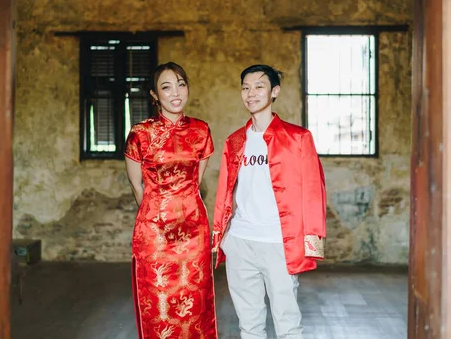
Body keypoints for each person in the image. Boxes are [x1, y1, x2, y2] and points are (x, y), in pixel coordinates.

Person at [212, 64, 327, 339]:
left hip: (279, 243)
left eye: (259, 86)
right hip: (241, 243)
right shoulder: (235, 141)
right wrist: (223, 236)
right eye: (245, 87)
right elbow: (224, 192)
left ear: (274, 91)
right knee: (249, 326)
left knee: (288, 325)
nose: (251, 93)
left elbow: (314, 191)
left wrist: (311, 244)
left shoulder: (298, 138)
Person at [125, 62, 217, 339]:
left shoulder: (201, 130)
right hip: (154, 232)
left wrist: (180, 207)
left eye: (181, 84)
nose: (176, 92)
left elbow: (195, 182)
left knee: (196, 303)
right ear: (154, 95)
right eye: (166, 87)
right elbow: (135, 183)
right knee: (158, 303)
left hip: (193, 230)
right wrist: (155, 214)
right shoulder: (140, 133)